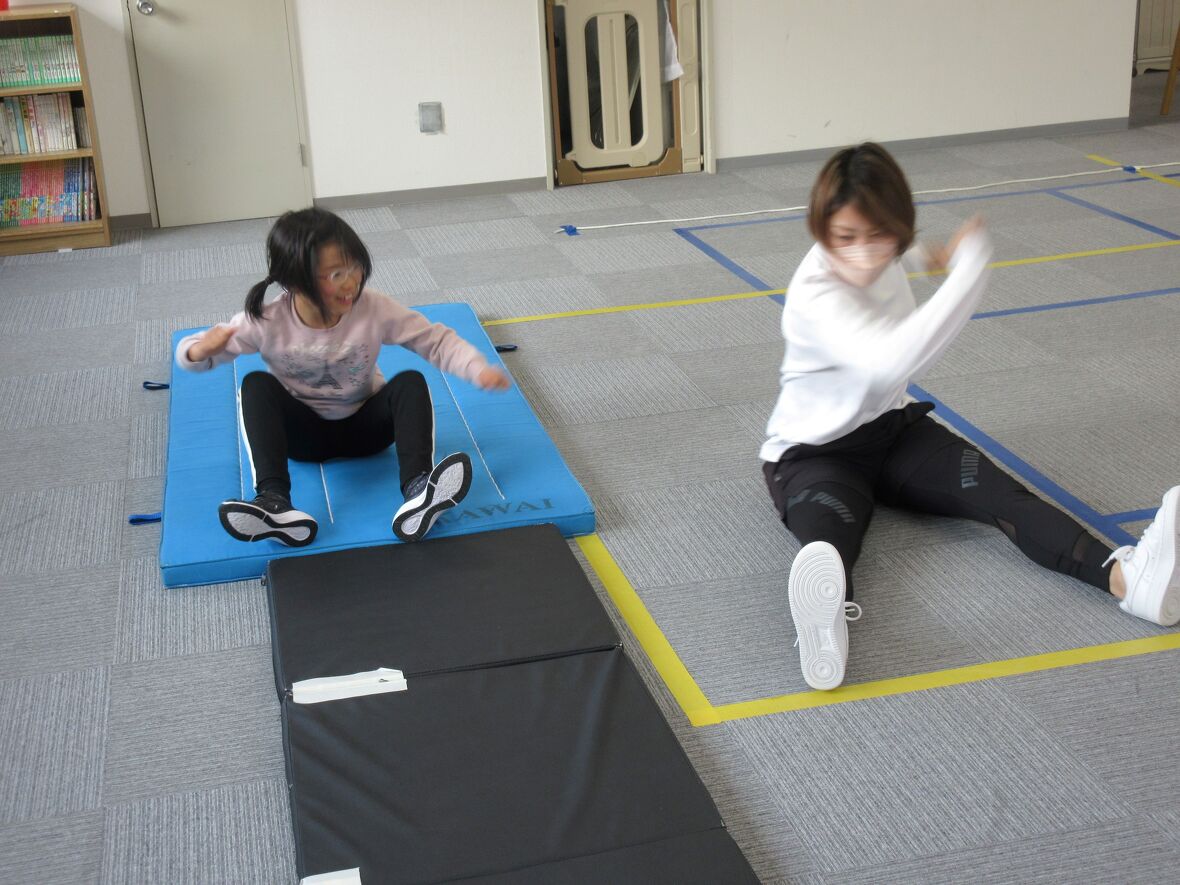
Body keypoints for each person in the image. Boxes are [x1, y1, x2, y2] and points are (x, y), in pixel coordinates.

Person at [761, 142, 1179, 691]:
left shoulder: (884, 253)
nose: (863, 255)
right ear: (821, 231)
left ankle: (1130, 582)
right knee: (830, 537)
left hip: (895, 432)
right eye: (845, 238)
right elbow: (888, 362)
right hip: (813, 454)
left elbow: (889, 257)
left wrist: (925, 257)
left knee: (1004, 497)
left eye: (879, 236)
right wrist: (970, 268)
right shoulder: (816, 296)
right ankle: (826, 618)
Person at [176, 207, 511, 547]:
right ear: (294, 281)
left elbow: (433, 339)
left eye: (355, 268)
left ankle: (419, 490)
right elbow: (192, 356)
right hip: (302, 438)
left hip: (368, 430)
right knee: (254, 385)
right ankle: (274, 502)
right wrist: (199, 350)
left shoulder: (373, 308)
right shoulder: (267, 321)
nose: (351, 282)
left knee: (410, 381)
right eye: (336, 274)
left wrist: (476, 368)